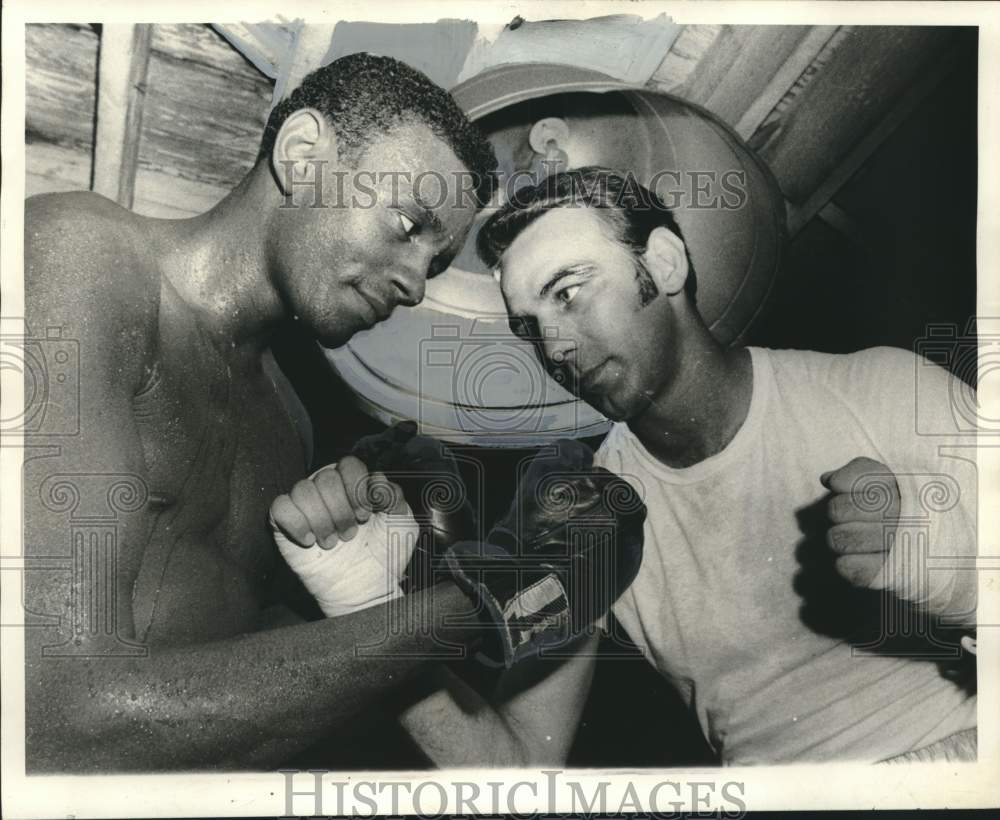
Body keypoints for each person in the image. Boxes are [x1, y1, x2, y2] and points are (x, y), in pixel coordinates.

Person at [22, 55, 645, 772]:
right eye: (408, 225)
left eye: (436, 266)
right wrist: (488, 597)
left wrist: (377, 589)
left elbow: (230, 669)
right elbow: (49, 714)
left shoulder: (289, 420)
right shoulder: (84, 255)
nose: (414, 285)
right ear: (303, 156)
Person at [286, 166, 978, 765]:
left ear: (666, 264)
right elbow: (520, 768)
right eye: (528, 326)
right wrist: (374, 615)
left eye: (568, 292)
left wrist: (951, 561)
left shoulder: (885, 390)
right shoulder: (588, 515)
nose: (552, 345)